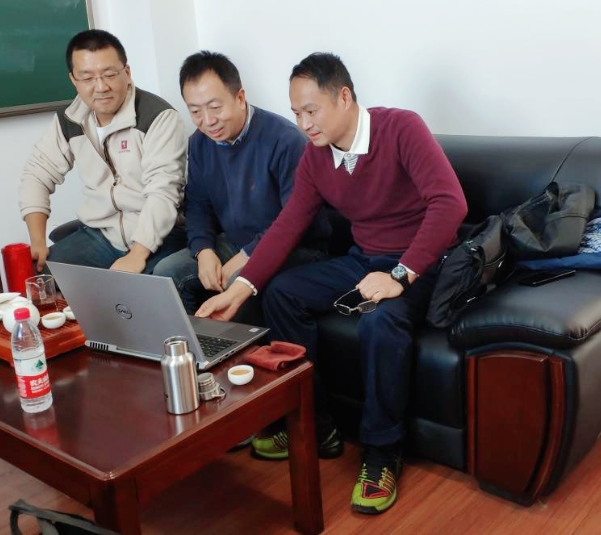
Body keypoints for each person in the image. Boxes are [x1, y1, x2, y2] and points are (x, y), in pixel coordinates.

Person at [196, 53, 468, 514]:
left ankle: (382, 453)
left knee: (380, 321)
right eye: (296, 113)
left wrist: (401, 275)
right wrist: (237, 291)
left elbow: (450, 203)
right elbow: (288, 225)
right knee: (283, 293)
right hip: (364, 259)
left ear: (343, 97)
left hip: (423, 263)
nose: (304, 124)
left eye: (311, 110)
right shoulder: (316, 157)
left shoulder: (401, 128)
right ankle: (316, 425)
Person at [153, 51, 329, 313]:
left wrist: (246, 257)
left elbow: (294, 222)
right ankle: (193, 339)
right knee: (167, 272)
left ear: (240, 97)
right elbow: (198, 206)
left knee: (238, 284)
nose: (208, 121)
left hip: (295, 246)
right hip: (237, 242)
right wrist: (203, 250)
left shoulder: (284, 140)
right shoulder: (199, 143)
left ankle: (230, 341)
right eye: (195, 111)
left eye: (215, 107)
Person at [19, 29, 188, 274]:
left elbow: (163, 192)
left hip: (159, 236)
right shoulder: (70, 119)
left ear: (127, 73)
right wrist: (37, 241)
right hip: (102, 235)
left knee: (136, 288)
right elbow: (36, 175)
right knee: (42, 274)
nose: (100, 87)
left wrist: (137, 255)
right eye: (87, 78)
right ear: (73, 80)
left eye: (109, 75)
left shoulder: (158, 117)